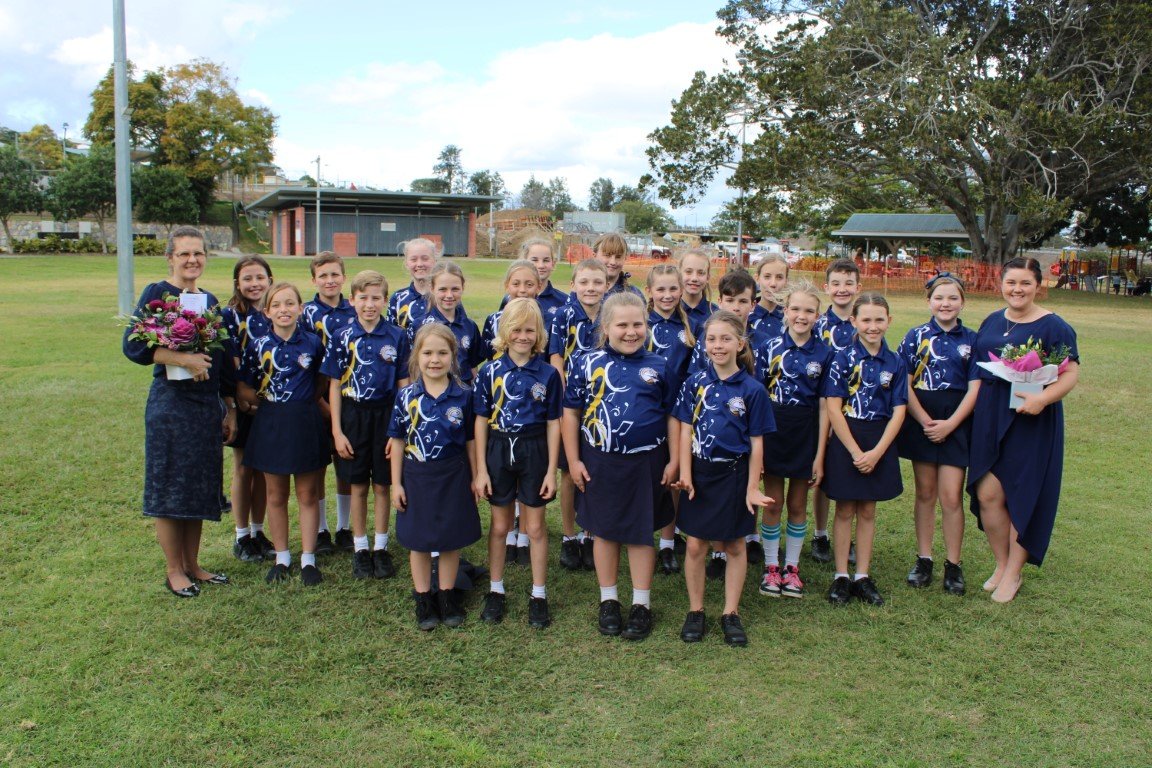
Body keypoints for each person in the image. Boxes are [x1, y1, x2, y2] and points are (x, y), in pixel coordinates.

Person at [122, 225, 237, 597]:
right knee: (171, 490)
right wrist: (181, 358)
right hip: (171, 407)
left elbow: (219, 363)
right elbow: (133, 348)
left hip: (206, 408)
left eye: (199, 253)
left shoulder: (211, 301)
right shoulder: (158, 294)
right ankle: (174, 570)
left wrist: (229, 407)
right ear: (170, 257)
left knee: (198, 489)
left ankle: (194, 564)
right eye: (185, 253)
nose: (192, 260)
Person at [562, 292, 679, 641]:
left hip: (647, 461)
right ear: (605, 327)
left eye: (638, 324)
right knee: (605, 530)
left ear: (648, 326)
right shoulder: (585, 362)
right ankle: (609, 599)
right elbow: (571, 413)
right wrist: (573, 459)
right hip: (600, 460)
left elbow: (673, 416)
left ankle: (641, 603)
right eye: (622, 325)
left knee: (641, 533)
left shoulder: (660, 366)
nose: (631, 332)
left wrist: (673, 459)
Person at [968, 257, 1079, 603]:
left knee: (1021, 495)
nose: (1017, 290)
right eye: (1011, 283)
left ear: (1038, 285)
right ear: (1001, 284)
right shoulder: (991, 319)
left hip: (1031, 418)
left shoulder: (1054, 326)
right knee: (987, 493)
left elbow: (1070, 373)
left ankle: (1014, 573)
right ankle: (1001, 564)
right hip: (990, 415)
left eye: (1025, 284)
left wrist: (1042, 400)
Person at [674, 311, 773, 646]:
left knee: (733, 544)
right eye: (712, 339)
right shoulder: (695, 383)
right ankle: (696, 609)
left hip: (734, 474)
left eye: (725, 339)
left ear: (740, 344)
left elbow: (757, 443)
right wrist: (686, 474)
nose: (718, 345)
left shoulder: (752, 389)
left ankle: (731, 612)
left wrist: (752, 486)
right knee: (697, 543)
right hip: (701, 474)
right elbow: (685, 431)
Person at [473, 298, 562, 628]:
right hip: (498, 449)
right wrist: (482, 468)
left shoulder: (549, 374)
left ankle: (539, 594)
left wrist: (551, 469)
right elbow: (480, 420)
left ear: (538, 333)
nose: (523, 336)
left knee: (535, 527)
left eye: (530, 330)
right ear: (504, 332)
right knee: (499, 526)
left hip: (534, 449)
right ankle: (496, 590)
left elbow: (554, 422)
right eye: (516, 330)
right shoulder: (489, 372)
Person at [389, 324, 482, 630]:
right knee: (418, 541)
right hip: (417, 476)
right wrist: (396, 484)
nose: (434, 359)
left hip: (453, 475)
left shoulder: (464, 396)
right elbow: (399, 442)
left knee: (449, 540)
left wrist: (476, 475)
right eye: (427, 353)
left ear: (453, 357)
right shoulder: (406, 396)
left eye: (442, 353)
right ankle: (423, 598)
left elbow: (470, 440)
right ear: (417, 356)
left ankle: (446, 596)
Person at [321, 270, 409, 581]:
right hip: (352, 414)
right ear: (353, 299)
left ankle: (381, 546)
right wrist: (337, 430)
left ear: (386, 300)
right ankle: (360, 548)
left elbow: (404, 385)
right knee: (357, 485)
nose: (369, 304)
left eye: (376, 298)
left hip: (386, 414)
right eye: (363, 298)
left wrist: (397, 429)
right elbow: (333, 385)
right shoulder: (342, 335)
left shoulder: (398, 336)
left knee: (383, 484)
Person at [239, 282, 329, 586]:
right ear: (267, 312)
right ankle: (282, 556)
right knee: (276, 494)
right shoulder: (259, 344)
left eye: (290, 304)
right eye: (276, 305)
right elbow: (246, 385)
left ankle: (307, 558)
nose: (284, 310)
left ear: (300, 308)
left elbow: (321, 382)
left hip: (305, 420)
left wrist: (304, 403)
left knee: (308, 493)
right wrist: (263, 406)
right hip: (271, 422)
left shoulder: (314, 343)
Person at [896, 273, 980, 595]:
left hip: (956, 423)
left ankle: (953, 565)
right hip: (922, 422)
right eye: (939, 298)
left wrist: (951, 424)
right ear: (928, 301)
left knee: (950, 497)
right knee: (925, 494)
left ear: (962, 302)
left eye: (952, 298)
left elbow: (975, 388)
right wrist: (925, 420)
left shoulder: (972, 340)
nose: (945, 304)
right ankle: (924, 558)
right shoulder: (915, 336)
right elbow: (903, 380)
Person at [822, 292, 907, 607]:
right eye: (866, 320)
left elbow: (899, 410)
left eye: (879, 320)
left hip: (879, 439)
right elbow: (833, 408)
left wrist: (877, 452)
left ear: (889, 321)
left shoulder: (896, 361)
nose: (873, 326)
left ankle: (862, 575)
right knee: (844, 509)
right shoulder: (841, 358)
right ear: (854, 321)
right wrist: (856, 452)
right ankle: (841, 575)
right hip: (848, 438)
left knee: (868, 510)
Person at [757, 281, 833, 599]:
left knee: (798, 504)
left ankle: (792, 568)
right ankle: (772, 568)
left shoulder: (825, 353)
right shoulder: (769, 347)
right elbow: (757, 398)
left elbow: (827, 405)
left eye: (809, 311)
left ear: (817, 315)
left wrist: (819, 454)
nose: (802, 316)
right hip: (774, 429)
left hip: (806, 431)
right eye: (796, 309)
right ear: (786, 312)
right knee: (773, 503)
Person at [548, 258, 609, 571]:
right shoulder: (563, 314)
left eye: (597, 282)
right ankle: (569, 537)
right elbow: (556, 356)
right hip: (571, 402)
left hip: (601, 402)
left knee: (595, 468)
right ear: (573, 285)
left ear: (606, 285)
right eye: (584, 282)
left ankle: (591, 533)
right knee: (570, 472)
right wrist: (565, 393)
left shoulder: (610, 314)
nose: (591, 288)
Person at [301, 251, 357, 555]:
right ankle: (321, 528)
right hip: (314, 397)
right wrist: (318, 400)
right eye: (323, 275)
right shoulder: (306, 313)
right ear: (314, 280)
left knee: (344, 464)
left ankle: (344, 526)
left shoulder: (355, 309)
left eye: (335, 274)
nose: (330, 280)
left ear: (343, 277)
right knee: (318, 464)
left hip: (346, 397)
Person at [644, 264, 696, 575]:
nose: (667, 295)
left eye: (672, 289)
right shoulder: (640, 323)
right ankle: (642, 537)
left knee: (672, 476)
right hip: (646, 412)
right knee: (649, 475)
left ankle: (667, 542)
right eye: (660, 289)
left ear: (681, 291)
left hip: (677, 415)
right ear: (649, 291)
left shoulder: (690, 326)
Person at [810, 258, 863, 564]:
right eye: (837, 284)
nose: (843, 290)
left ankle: (852, 537)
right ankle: (820, 534)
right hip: (822, 406)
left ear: (858, 287)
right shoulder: (818, 325)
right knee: (824, 473)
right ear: (826, 287)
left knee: (855, 473)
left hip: (856, 410)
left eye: (849, 283)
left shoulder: (862, 323)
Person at [222, 256, 274, 563]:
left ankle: (258, 531)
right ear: (237, 284)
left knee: (265, 471)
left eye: (260, 278)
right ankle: (242, 535)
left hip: (272, 402)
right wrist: (238, 396)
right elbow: (231, 359)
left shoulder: (276, 309)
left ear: (270, 279)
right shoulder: (230, 315)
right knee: (244, 468)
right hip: (244, 401)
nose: (254, 284)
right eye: (248, 279)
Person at [409, 261, 483, 386]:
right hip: (430, 395)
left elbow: (472, 367)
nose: (449, 295)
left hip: (463, 396)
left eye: (455, 289)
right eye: (443, 289)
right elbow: (414, 368)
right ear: (432, 288)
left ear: (462, 288)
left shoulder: (470, 326)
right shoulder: (419, 326)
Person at [482, 260, 540, 362]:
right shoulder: (494, 321)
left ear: (538, 287)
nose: (522, 290)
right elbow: (490, 359)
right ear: (507, 286)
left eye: (529, 284)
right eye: (516, 284)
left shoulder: (549, 321)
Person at [387, 238, 438, 330]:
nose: (419, 264)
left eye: (425, 259)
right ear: (407, 263)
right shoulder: (398, 299)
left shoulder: (444, 296)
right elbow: (391, 335)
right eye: (414, 259)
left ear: (435, 261)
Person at [593, 233, 644, 298]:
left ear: (625, 258)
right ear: (594, 256)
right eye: (607, 255)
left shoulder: (634, 295)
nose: (613, 262)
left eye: (618, 257)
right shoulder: (581, 290)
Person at [750, 254, 788, 338]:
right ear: (757, 278)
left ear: (786, 281)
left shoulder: (791, 317)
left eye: (779, 277)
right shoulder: (746, 314)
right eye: (767, 277)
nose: (773, 284)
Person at [678, 248, 716, 331]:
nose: (694, 278)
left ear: (708, 277)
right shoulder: (669, 311)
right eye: (688, 272)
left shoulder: (716, 314)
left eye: (701, 273)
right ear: (679, 274)